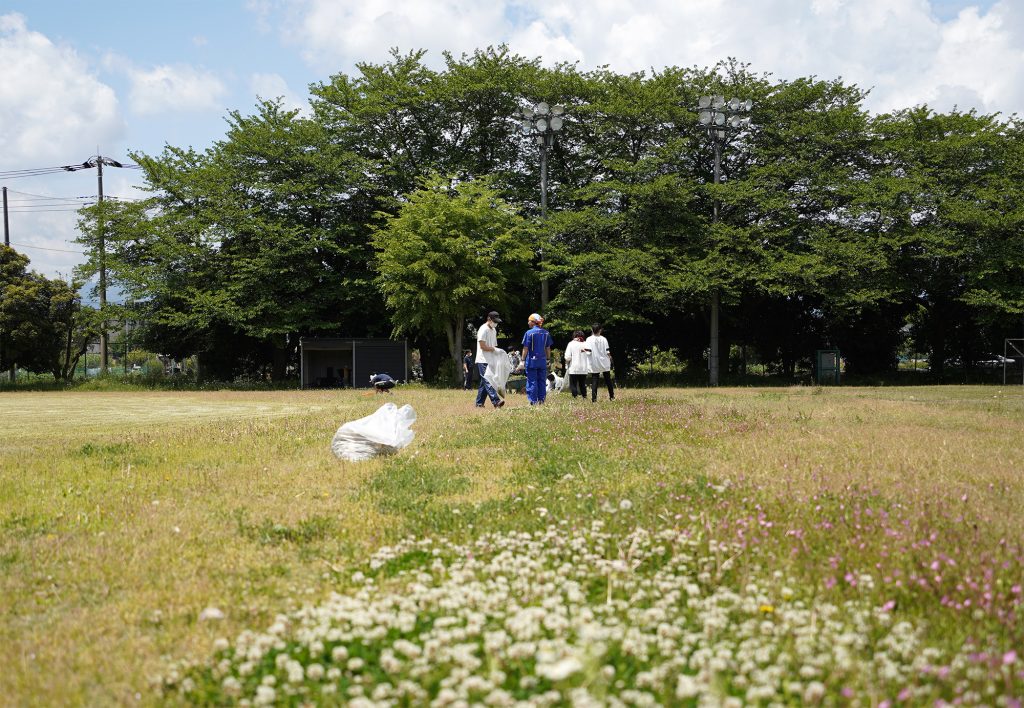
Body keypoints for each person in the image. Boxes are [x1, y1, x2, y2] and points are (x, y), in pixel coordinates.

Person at [521, 313, 553, 405]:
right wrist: (548, 359)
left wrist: (522, 360)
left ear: (533, 322)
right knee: (542, 381)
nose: (528, 323)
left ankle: (533, 401)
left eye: (529, 321)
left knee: (532, 381)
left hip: (531, 361)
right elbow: (548, 348)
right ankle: (541, 400)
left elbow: (525, 348)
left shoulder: (529, 333)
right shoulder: (546, 333)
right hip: (542, 361)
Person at [475, 311, 505, 408]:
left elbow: (494, 345)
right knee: (488, 380)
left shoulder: (493, 330)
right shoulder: (483, 329)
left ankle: (479, 404)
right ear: (489, 319)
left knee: (484, 383)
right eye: (494, 321)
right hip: (482, 359)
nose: (496, 323)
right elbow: (482, 346)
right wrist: (494, 349)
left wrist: (497, 355)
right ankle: (496, 402)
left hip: (491, 359)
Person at [586, 323, 615, 401]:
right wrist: (610, 357)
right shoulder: (604, 339)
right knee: (608, 380)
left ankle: (594, 399)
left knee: (595, 380)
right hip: (605, 361)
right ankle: (612, 397)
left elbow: (588, 352)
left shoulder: (589, 339)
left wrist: (583, 350)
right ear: (600, 330)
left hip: (595, 362)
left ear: (591, 330)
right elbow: (607, 351)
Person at [563, 329, 591, 399]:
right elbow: (590, 353)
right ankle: (584, 396)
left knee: (573, 384)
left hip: (574, 367)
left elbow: (567, 357)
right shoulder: (586, 344)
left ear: (574, 336)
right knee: (582, 384)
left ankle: (575, 397)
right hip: (584, 367)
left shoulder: (571, 344)